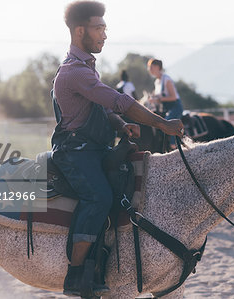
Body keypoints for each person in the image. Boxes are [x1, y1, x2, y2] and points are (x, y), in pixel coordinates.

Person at [51, 1, 184, 296]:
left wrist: (119, 126)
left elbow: (102, 109)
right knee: (99, 197)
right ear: (79, 31)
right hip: (75, 152)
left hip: (94, 148)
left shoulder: (87, 67)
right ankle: (76, 274)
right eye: (99, 28)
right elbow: (120, 102)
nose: (104, 35)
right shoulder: (74, 71)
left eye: (105, 28)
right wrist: (162, 124)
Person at [147, 58, 184, 149]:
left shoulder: (166, 79)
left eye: (151, 67)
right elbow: (157, 97)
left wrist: (158, 99)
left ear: (157, 67)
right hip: (166, 108)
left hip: (175, 107)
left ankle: (173, 145)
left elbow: (173, 97)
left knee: (167, 122)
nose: (149, 70)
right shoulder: (157, 82)